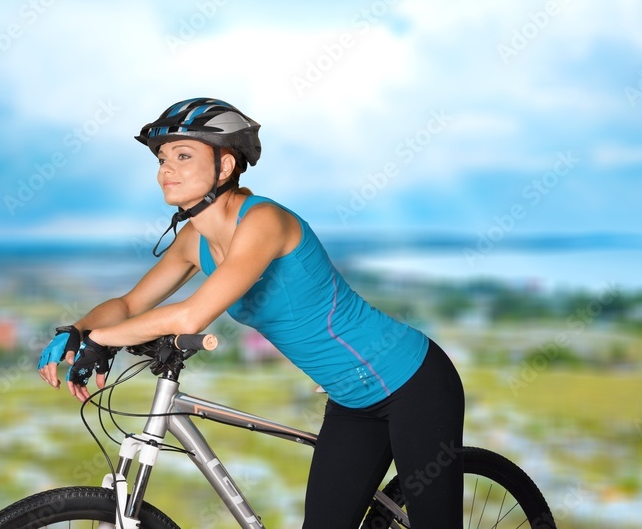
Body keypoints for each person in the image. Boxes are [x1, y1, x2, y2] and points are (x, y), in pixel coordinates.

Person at [37, 97, 465, 528]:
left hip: (413, 382)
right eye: (163, 159)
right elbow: (130, 304)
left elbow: (190, 317)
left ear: (225, 167)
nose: (165, 170)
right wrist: (77, 330)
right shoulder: (193, 241)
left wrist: (103, 339)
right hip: (351, 400)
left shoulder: (264, 222)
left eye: (183, 156)